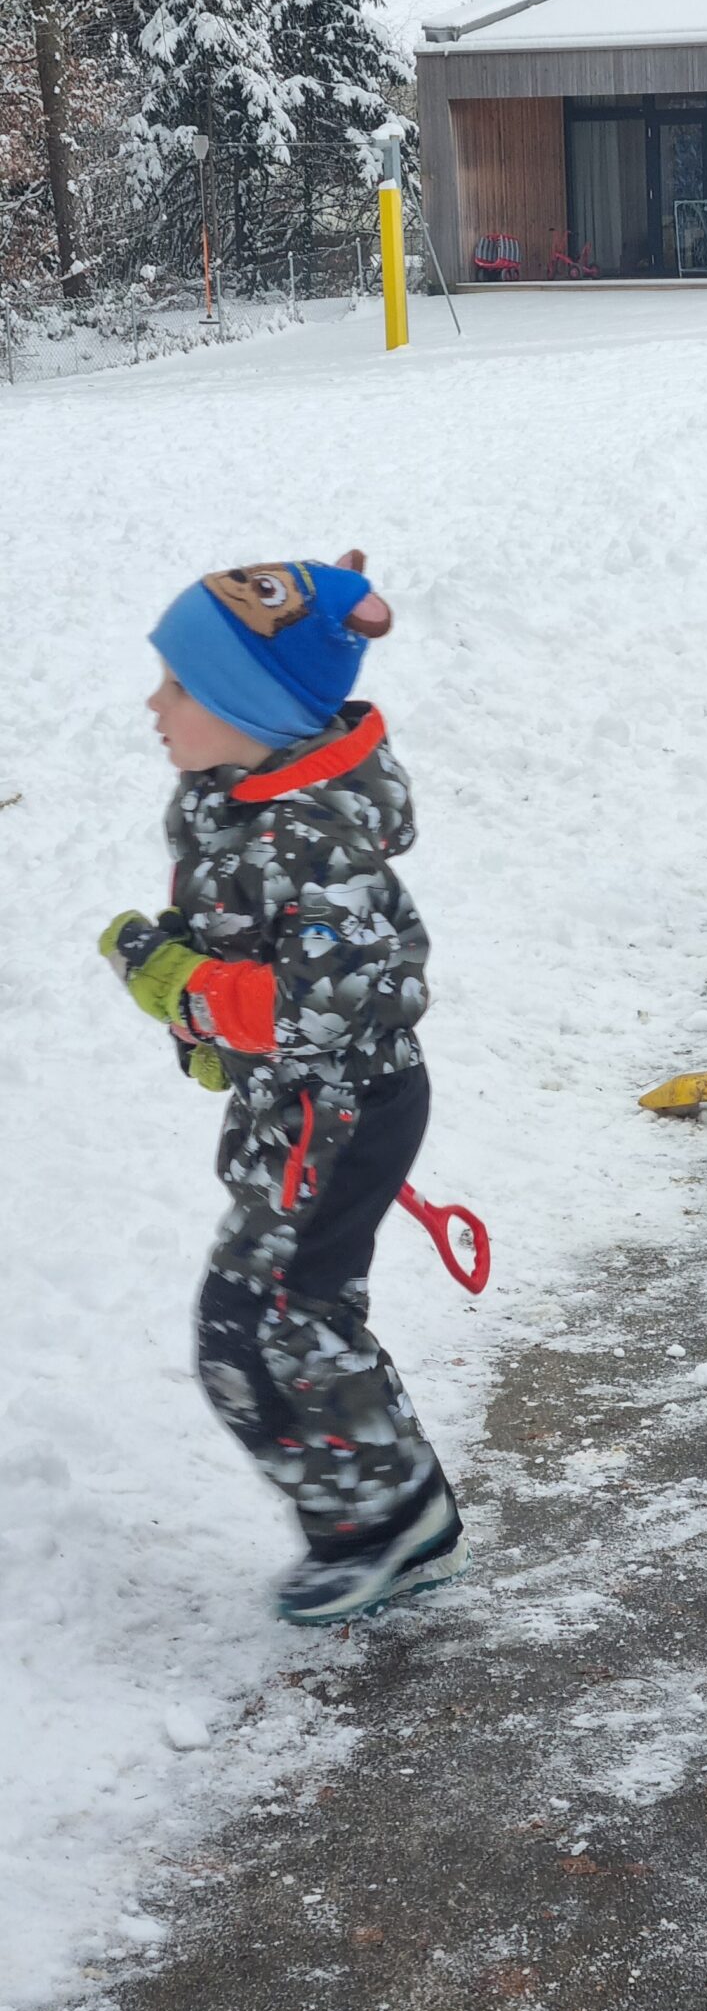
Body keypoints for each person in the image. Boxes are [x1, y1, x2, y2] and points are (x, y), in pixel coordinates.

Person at [99, 555, 466, 1627]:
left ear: (249, 708)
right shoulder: (237, 800)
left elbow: (340, 999)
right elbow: (256, 951)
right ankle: (392, 1511)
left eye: (178, 685)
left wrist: (186, 988)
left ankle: (380, 1525)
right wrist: (197, 998)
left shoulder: (310, 836)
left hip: (343, 1108)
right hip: (303, 1105)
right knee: (285, 1313)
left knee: (263, 1322)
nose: (155, 704)